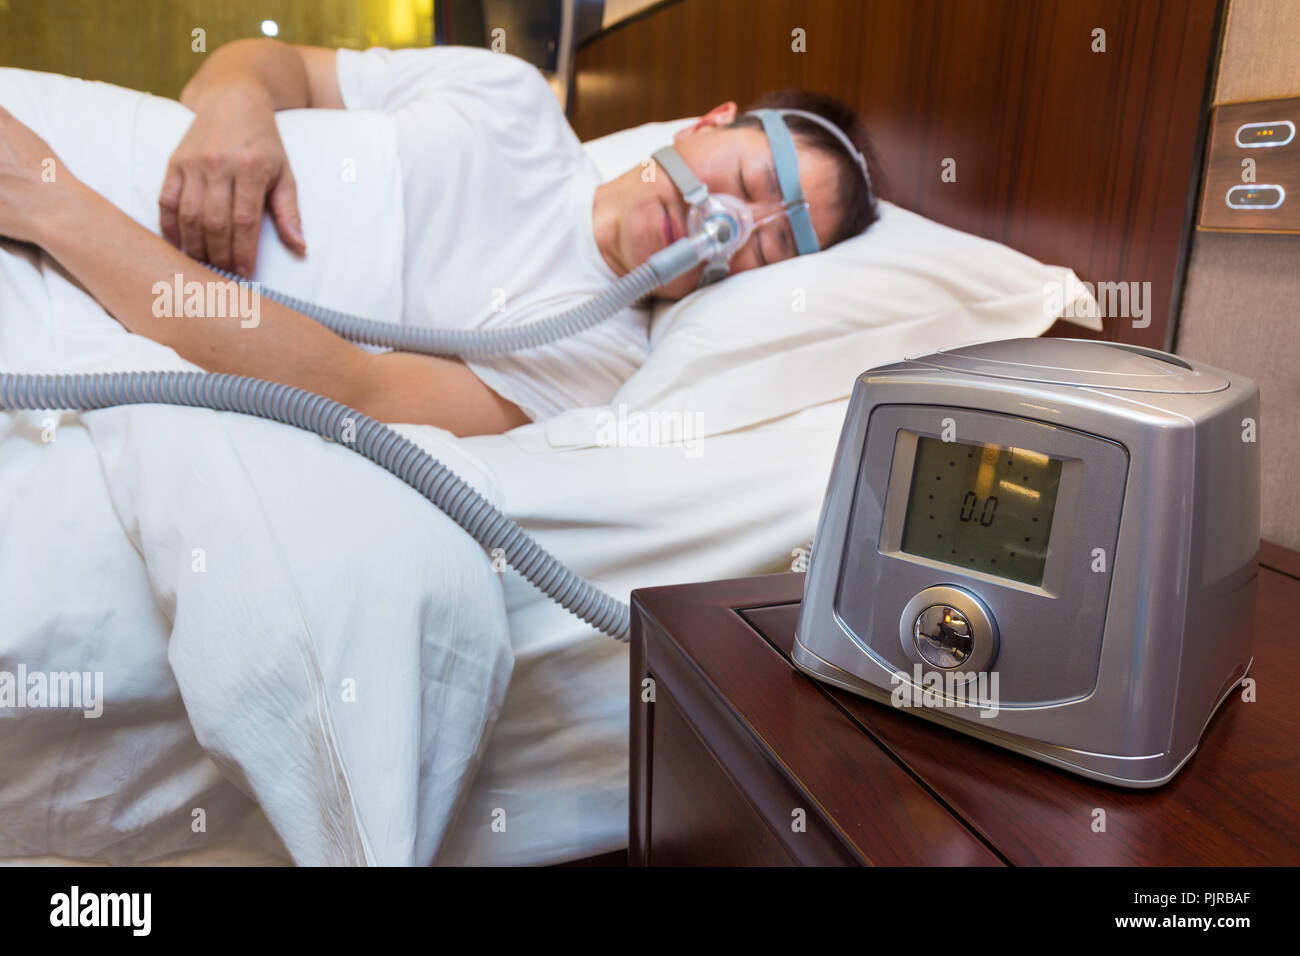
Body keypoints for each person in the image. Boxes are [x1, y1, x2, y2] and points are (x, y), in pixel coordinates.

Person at [0, 39, 879, 435]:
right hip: (60, 135)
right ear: (711, 122)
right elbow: (277, 65)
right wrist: (239, 99)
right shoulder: (511, 96)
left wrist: (57, 213)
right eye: (753, 182)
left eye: (767, 244)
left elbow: (354, 391)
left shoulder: (596, 357)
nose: (724, 222)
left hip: (73, 267)